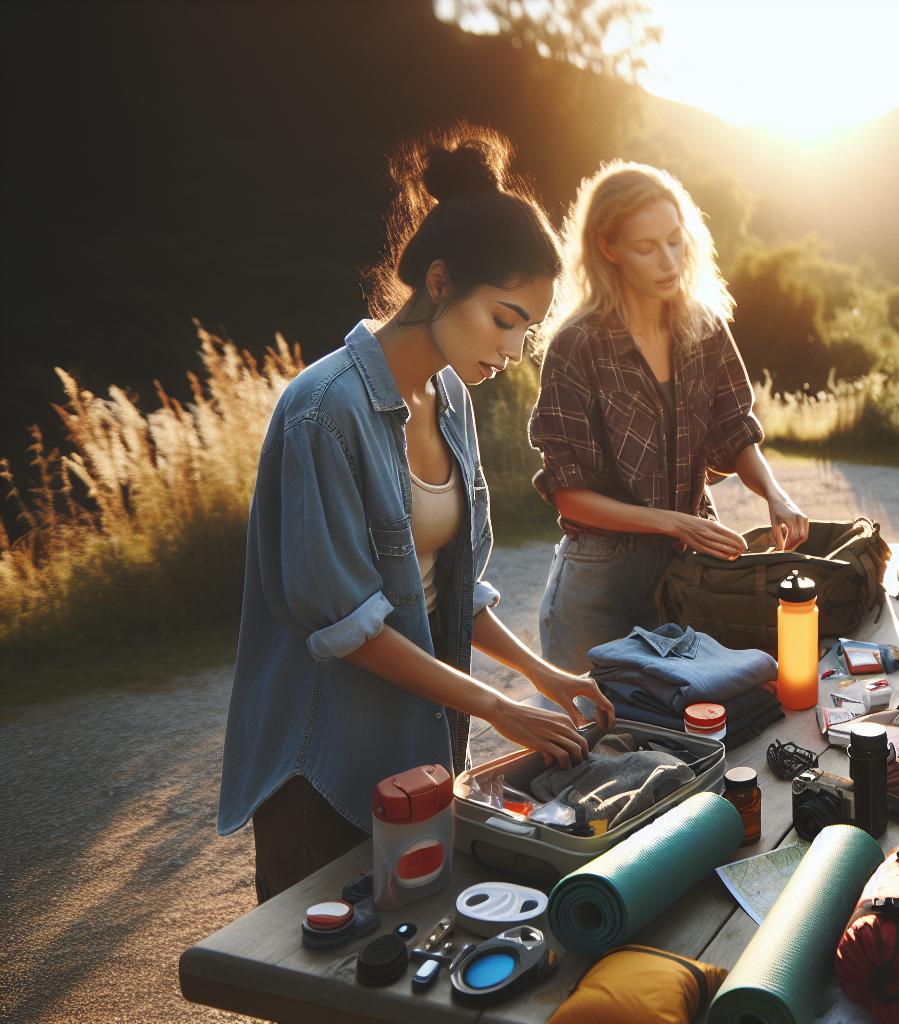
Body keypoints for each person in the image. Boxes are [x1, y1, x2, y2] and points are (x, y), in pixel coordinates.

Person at [218, 126, 614, 903]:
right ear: (439, 282)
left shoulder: (451, 397)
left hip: (412, 744)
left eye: (527, 330)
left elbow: (447, 590)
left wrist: (546, 677)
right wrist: (504, 707)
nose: (513, 349)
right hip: (322, 759)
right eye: (503, 318)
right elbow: (350, 627)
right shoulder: (321, 411)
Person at [529, 162, 807, 672]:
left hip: (688, 575)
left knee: (697, 725)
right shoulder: (576, 345)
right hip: (598, 584)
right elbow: (569, 493)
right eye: (646, 247)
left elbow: (735, 429)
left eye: (676, 241)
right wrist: (674, 522)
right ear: (607, 248)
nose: (668, 260)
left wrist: (776, 493)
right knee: (590, 739)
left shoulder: (706, 328)